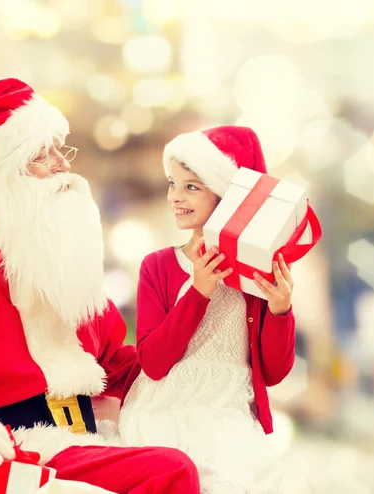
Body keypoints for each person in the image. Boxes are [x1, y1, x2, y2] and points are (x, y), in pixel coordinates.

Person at [0, 78, 199, 494]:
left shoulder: (62, 257)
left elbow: (114, 363)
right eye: (38, 156)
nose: (62, 166)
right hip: (16, 453)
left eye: (59, 150)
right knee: (169, 471)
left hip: (90, 435)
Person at [119, 126, 296, 493]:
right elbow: (152, 362)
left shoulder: (257, 276)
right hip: (166, 409)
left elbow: (274, 371)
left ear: (227, 198)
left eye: (192, 187)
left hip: (230, 414)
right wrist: (198, 291)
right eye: (172, 183)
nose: (175, 197)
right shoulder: (159, 266)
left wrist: (280, 311)